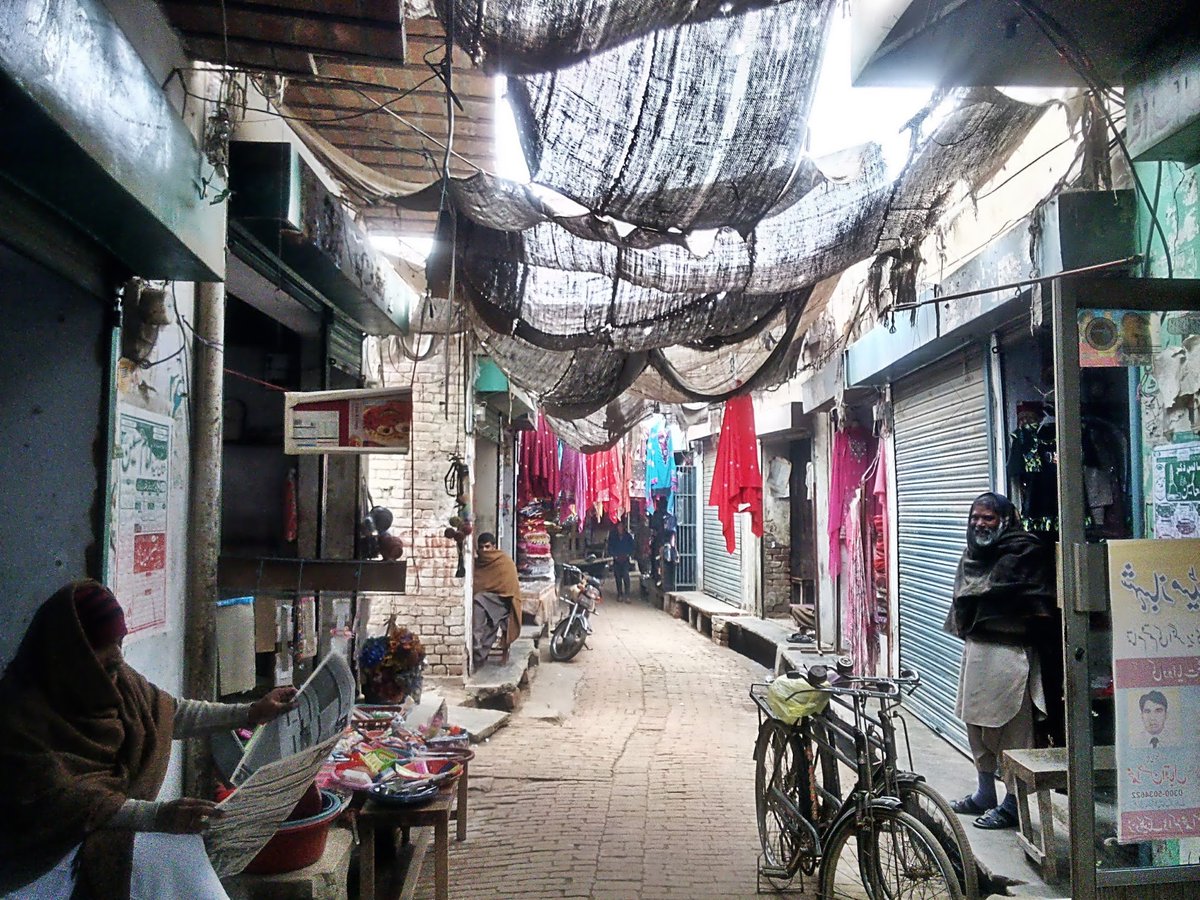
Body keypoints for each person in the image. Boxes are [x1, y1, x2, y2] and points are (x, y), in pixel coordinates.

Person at [0, 580, 298, 899]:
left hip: (98, 840)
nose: (116, 655)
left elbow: (169, 713)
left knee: (176, 852)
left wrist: (251, 712)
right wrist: (157, 816)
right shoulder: (18, 718)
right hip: (38, 869)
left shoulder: (115, 682)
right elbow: (71, 802)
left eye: (119, 641)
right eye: (101, 646)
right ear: (68, 653)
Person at [943, 492, 1058, 830]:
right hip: (978, 651)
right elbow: (968, 599)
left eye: (988, 518)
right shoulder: (973, 554)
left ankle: (1012, 804)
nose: (980, 523)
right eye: (975, 517)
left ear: (1005, 520)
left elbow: (1030, 602)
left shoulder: (1025, 551)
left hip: (1011, 653)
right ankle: (984, 794)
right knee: (975, 726)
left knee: (1012, 731)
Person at [472, 533, 522, 670]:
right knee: (478, 603)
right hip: (485, 600)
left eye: (488, 547)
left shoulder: (504, 562)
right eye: (481, 547)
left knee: (491, 623)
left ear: (494, 546)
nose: (485, 551)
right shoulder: (478, 564)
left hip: (503, 602)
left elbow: (511, 588)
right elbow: (477, 583)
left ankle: (480, 655)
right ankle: (476, 647)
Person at [607, 519, 637, 602]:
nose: (620, 528)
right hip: (617, 560)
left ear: (623, 527)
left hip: (625, 560)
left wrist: (628, 554)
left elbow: (632, 547)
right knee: (618, 577)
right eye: (618, 526)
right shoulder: (613, 536)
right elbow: (610, 547)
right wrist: (614, 555)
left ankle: (627, 595)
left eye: (621, 526)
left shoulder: (628, 536)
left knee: (626, 576)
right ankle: (619, 594)